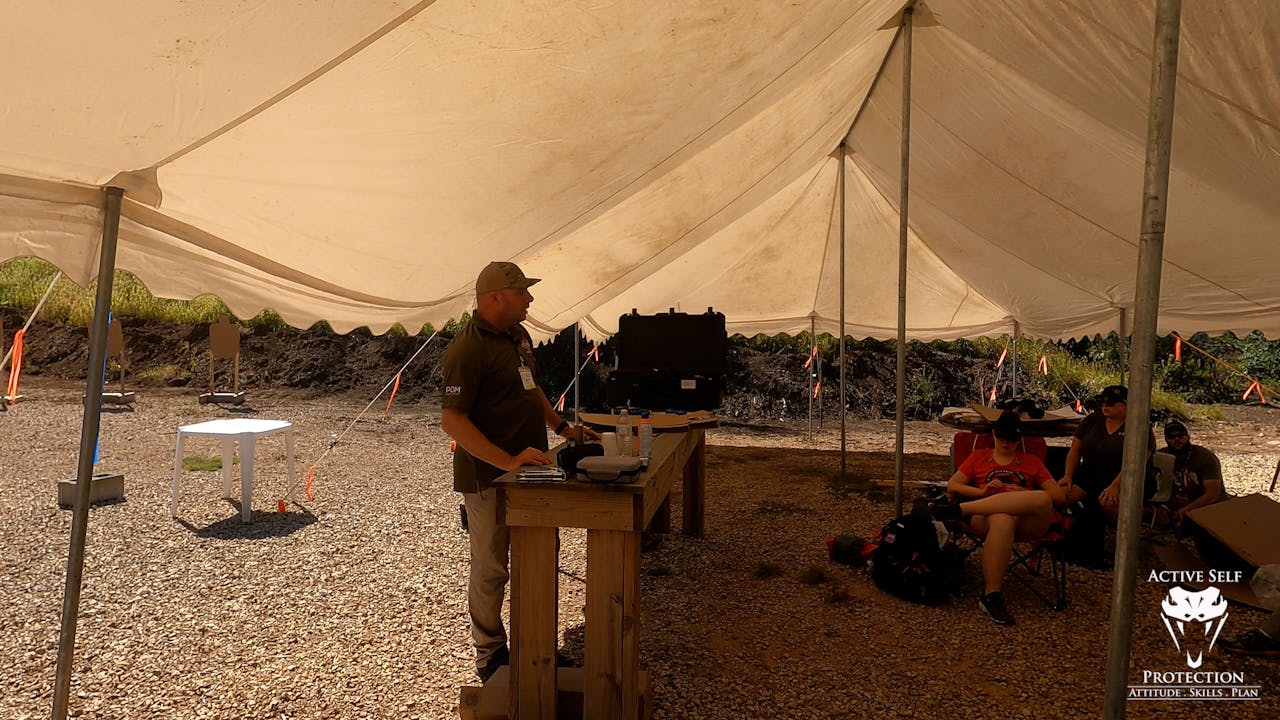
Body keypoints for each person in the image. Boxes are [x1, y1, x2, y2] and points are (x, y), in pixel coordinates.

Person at [441, 260, 597, 682]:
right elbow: (453, 422)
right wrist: (507, 461)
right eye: (521, 292)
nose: (530, 298)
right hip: (488, 479)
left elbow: (532, 391)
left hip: (531, 476)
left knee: (538, 559)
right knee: (492, 567)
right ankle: (490, 655)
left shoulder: (518, 337)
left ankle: (536, 649)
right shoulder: (467, 348)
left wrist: (563, 428)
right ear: (495, 298)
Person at [931, 411, 1067, 626]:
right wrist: (983, 493)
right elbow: (953, 485)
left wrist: (1019, 494)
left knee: (1042, 498)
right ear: (994, 435)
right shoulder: (979, 457)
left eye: (1011, 439)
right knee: (1003, 519)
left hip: (1027, 521)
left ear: (1019, 439)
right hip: (986, 517)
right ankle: (991, 596)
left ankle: (960, 510)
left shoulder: (1031, 461)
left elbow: (1059, 496)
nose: (1006, 443)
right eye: (1002, 438)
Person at [1058, 384, 1156, 522]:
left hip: (1128, 479)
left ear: (1126, 404)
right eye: (1102, 402)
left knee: (1107, 504)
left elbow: (1137, 464)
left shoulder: (1139, 426)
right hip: (1092, 475)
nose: (1105, 406)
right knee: (1060, 497)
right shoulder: (1092, 420)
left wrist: (1116, 486)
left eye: (1110, 402)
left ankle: (1149, 514)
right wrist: (1068, 475)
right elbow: (1075, 450)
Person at [1154, 420, 1226, 527]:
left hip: (1205, 506)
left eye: (1181, 435)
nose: (1177, 439)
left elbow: (1213, 494)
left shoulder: (1204, 457)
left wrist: (1186, 510)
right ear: (1166, 439)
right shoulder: (1161, 456)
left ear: (1188, 436)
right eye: (1172, 437)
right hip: (1173, 503)